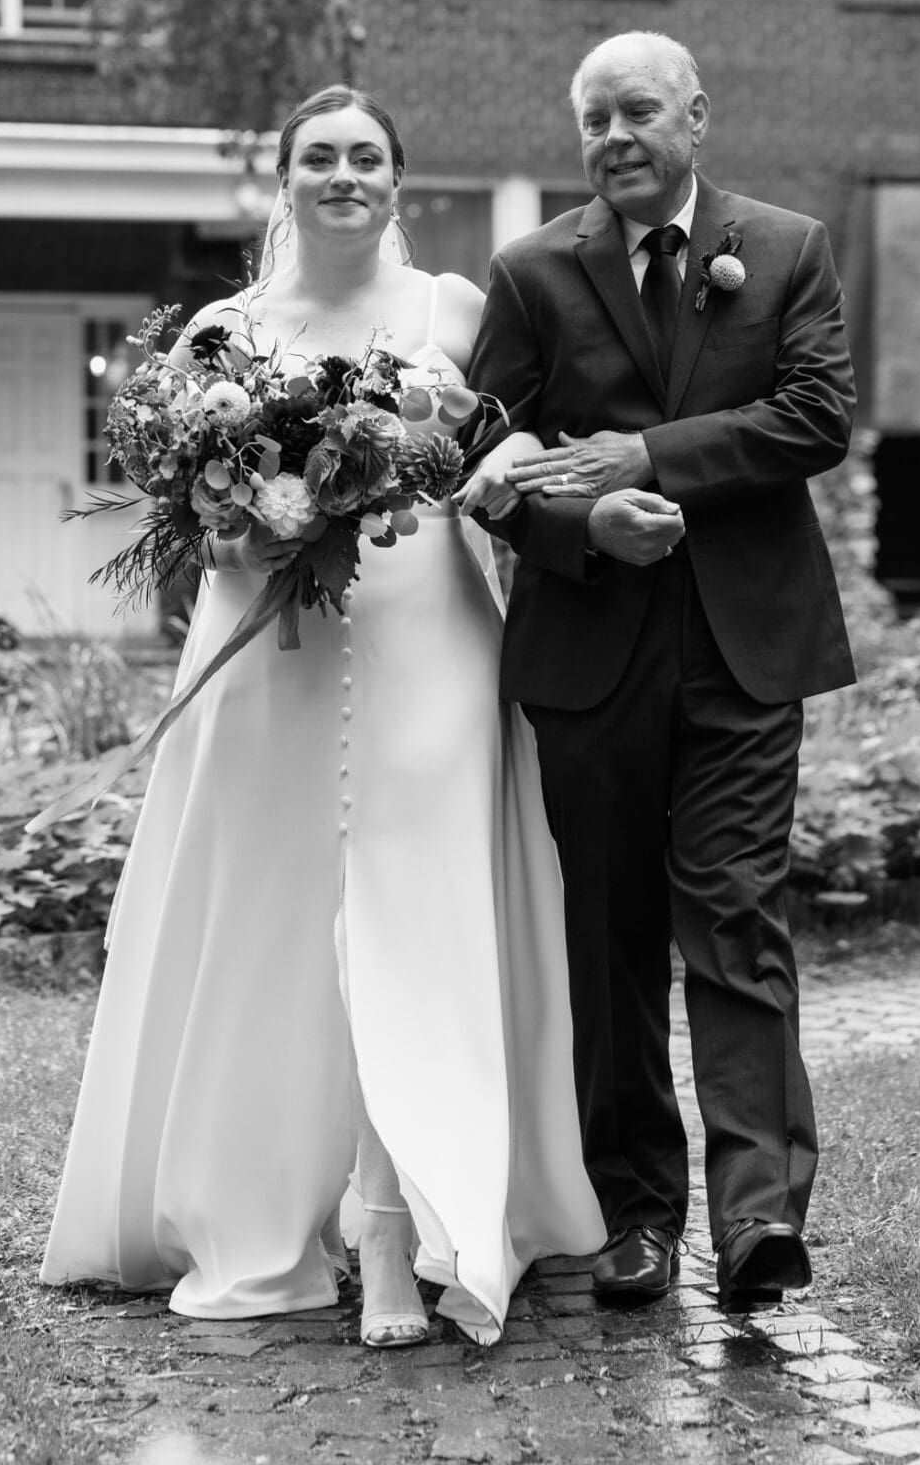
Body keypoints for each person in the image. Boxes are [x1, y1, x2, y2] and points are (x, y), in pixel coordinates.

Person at [41, 85, 603, 1345]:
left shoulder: (454, 309)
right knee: (269, 922)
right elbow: (186, 520)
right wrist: (246, 521)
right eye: (318, 158)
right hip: (269, 653)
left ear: (397, 179)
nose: (343, 175)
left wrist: (489, 462)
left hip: (427, 639)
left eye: (365, 157)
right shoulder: (220, 335)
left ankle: (400, 1226)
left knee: (421, 918)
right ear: (284, 180)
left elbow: (511, 455)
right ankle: (258, 1210)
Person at [467, 32, 855, 1310]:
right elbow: (483, 467)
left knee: (734, 914)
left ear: (696, 116)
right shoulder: (531, 271)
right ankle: (635, 1213)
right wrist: (584, 522)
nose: (614, 136)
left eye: (637, 110)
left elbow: (816, 417)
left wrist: (642, 456)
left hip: (746, 648)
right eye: (594, 119)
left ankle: (758, 1217)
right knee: (611, 937)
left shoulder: (785, 248)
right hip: (588, 656)